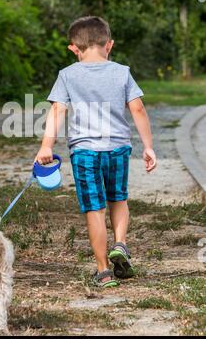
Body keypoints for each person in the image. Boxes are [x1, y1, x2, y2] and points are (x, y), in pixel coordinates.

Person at [34, 16, 157, 287]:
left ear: (73, 48)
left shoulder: (67, 74)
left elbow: (57, 110)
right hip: (118, 148)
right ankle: (121, 244)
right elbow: (137, 109)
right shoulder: (122, 71)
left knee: (95, 209)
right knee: (118, 198)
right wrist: (148, 146)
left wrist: (46, 146)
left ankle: (103, 271)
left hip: (85, 152)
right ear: (109, 45)